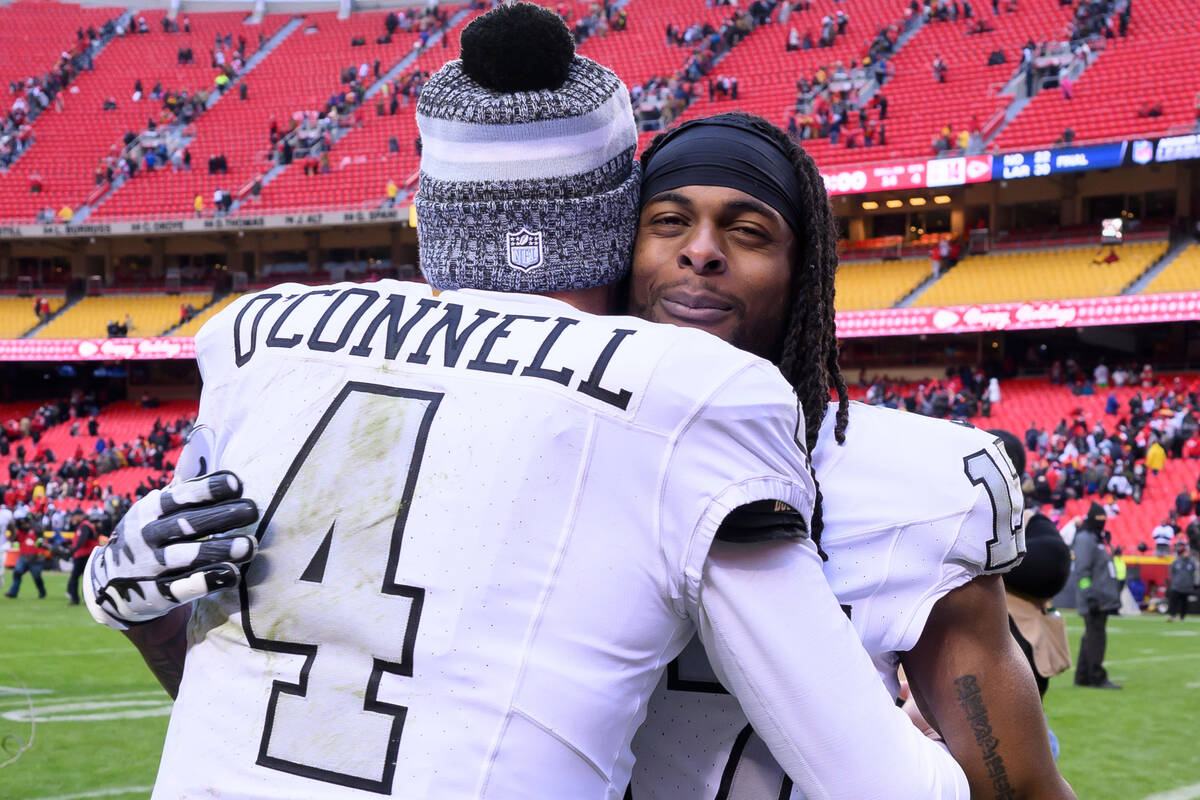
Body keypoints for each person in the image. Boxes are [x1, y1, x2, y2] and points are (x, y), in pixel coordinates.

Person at [83, 8, 968, 799]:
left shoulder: (257, 336)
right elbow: (880, 784)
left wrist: (124, 595)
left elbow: (239, 670)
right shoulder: (690, 388)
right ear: (618, 221)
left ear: (433, 213)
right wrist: (932, 756)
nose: (698, 255)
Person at [625, 113, 1072, 799]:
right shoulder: (547, 444)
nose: (702, 251)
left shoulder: (916, 487)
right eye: (668, 221)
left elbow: (1021, 789)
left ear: (802, 274)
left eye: (748, 232)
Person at [1072, 502, 1121, 689]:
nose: (1102, 522)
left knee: (1090, 637)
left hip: (1101, 598)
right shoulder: (1086, 539)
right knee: (1096, 638)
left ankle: (1083, 676)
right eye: (1099, 518)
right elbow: (1082, 571)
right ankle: (1096, 676)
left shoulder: (1097, 538)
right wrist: (1089, 596)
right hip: (1094, 599)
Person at [5, 517, 48, 599]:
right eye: (23, 524)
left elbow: (40, 540)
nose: (24, 525)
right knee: (17, 573)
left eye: (26, 523)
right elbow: (13, 539)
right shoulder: (21, 532)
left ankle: (42, 592)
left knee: (36, 577)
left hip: (36, 557)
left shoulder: (36, 530)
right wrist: (12, 526)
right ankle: (13, 592)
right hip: (24, 556)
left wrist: (39, 552)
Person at [66, 509, 98, 605]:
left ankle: (76, 599)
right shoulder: (83, 525)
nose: (72, 518)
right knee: (85, 579)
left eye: (74, 516)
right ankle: (87, 599)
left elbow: (82, 539)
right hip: (83, 555)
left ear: (79, 516)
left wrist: (74, 549)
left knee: (75, 578)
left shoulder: (84, 526)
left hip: (84, 555)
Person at [1166, 542, 1196, 621]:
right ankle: (1172, 615)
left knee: (1184, 602)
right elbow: (1172, 573)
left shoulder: (1191, 563)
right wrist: (1175, 581)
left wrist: (1191, 583)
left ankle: (1182, 617)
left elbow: (1193, 573)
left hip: (1187, 587)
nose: (1186, 554)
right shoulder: (1176, 562)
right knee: (1174, 601)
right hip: (1176, 586)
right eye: (1185, 552)